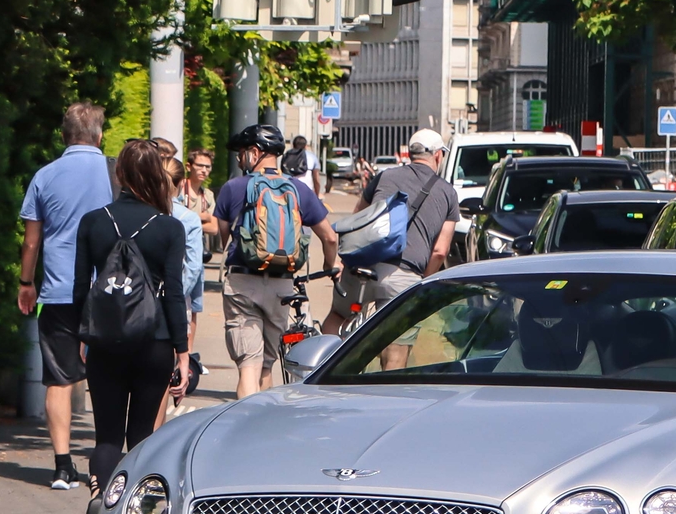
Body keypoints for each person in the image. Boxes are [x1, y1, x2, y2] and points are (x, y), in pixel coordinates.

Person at [72, 139, 190, 510]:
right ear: (157, 175)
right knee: (142, 436)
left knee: (107, 437)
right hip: (153, 341)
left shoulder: (92, 222)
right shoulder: (169, 228)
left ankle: (100, 503)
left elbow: (80, 288)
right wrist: (182, 351)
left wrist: (83, 335)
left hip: (105, 342)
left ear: (119, 174)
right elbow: (174, 293)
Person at [16, 103, 113, 491]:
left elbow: (31, 240)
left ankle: (61, 465)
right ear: (99, 135)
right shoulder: (114, 173)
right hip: (109, 292)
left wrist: (27, 282)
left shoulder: (44, 176)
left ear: (64, 136)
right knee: (107, 374)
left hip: (58, 290)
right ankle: (107, 462)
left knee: (59, 378)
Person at [214, 124, 342, 397]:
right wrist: (331, 266)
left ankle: (244, 429)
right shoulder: (299, 190)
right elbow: (330, 237)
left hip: (242, 284)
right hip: (282, 286)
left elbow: (222, 240)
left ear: (255, 153)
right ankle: (263, 427)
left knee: (249, 365)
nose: (239, 159)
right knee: (266, 367)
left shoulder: (233, 188)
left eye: (241, 153)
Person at [336, 127, 462, 366]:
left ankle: (324, 369)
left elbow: (356, 217)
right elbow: (440, 251)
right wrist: (423, 283)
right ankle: (385, 400)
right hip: (403, 275)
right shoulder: (447, 193)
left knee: (338, 317)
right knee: (394, 351)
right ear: (437, 156)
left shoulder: (384, 177)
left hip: (362, 267)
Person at [154, 143, 206, 421]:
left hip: (136, 302)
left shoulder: (144, 213)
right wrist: (178, 296)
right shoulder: (187, 219)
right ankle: (151, 435)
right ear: (179, 183)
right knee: (163, 376)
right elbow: (193, 267)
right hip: (174, 303)